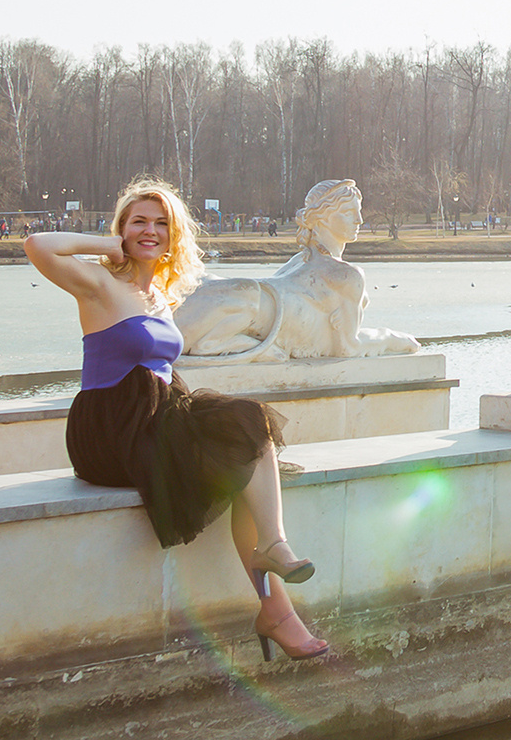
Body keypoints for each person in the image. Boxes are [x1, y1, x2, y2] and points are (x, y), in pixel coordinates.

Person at [24, 176, 329, 662]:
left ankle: (277, 600)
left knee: (246, 446)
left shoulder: (160, 298)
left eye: (161, 223)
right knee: (244, 436)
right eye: (138, 221)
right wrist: (109, 245)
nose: (150, 230)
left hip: (157, 416)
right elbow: (39, 245)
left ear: (174, 236)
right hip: (111, 430)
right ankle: (275, 586)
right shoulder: (99, 285)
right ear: (122, 228)